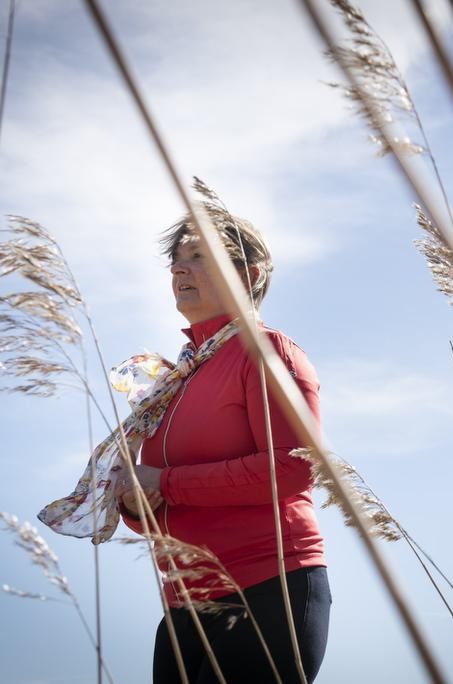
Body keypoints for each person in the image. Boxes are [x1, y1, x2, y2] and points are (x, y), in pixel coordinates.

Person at [117, 213, 330, 683]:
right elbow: (159, 496)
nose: (179, 269)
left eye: (199, 257)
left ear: (250, 275)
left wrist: (167, 482)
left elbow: (294, 470)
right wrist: (134, 500)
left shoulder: (267, 351)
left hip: (267, 588)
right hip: (183, 609)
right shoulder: (175, 379)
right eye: (176, 260)